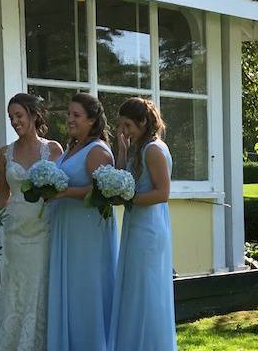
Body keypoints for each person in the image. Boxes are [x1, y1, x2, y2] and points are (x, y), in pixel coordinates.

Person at [0, 93, 63, 350]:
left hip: (42, 230)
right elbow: (1, 195)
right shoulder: (4, 153)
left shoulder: (53, 149)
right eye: (11, 117)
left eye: (19, 115)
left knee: (38, 290)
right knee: (14, 291)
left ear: (33, 115)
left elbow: (59, 191)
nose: (14, 121)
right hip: (14, 232)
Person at [47, 93, 117, 351]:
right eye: (69, 114)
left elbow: (102, 192)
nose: (70, 119)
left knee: (85, 290)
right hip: (68, 228)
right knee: (71, 291)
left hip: (87, 232)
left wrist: (63, 193)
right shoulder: (72, 148)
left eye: (76, 115)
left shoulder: (96, 150)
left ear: (92, 120)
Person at [109, 97, 176, 351]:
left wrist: (129, 198)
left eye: (128, 125)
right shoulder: (137, 148)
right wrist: (123, 150)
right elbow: (121, 176)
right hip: (135, 223)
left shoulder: (154, 149)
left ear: (143, 122)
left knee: (146, 290)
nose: (124, 131)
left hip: (149, 227)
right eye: (121, 126)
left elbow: (162, 193)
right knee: (133, 289)